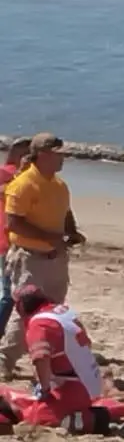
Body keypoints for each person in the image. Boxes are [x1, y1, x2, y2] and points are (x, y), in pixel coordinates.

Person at [1, 133, 83, 380]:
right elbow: (14, 223)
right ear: (44, 155)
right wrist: (50, 238)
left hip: (56, 258)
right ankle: (4, 359)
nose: (64, 159)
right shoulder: (24, 184)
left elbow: (65, 212)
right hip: (30, 259)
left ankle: (47, 358)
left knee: (53, 311)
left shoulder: (59, 185)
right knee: (28, 311)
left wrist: (71, 232)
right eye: (59, 154)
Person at [4, 283, 109, 433]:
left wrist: (45, 388)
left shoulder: (40, 324)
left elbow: (41, 358)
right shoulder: (62, 312)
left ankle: (89, 419)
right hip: (89, 379)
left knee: (37, 417)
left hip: (74, 388)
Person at [0, 136, 32, 339]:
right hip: (9, 242)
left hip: (8, 241)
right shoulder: (14, 178)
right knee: (10, 293)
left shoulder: (11, 175)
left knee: (11, 292)